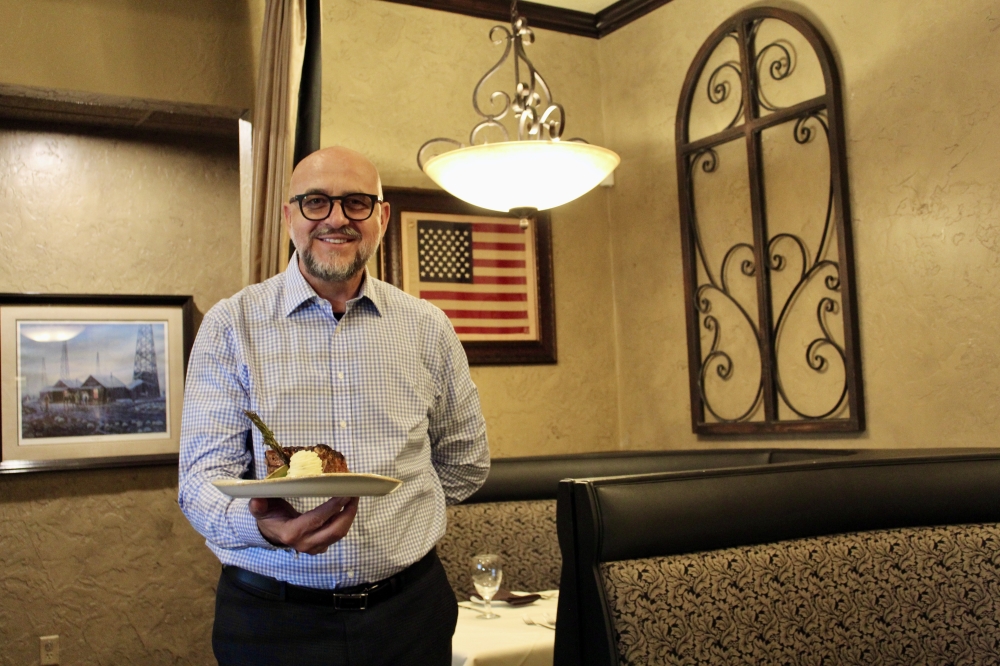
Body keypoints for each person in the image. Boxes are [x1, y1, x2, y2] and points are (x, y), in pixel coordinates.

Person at [178, 146, 490, 665]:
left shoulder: (427, 327)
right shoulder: (232, 326)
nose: (337, 219)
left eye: (357, 203)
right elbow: (200, 481)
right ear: (289, 216)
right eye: (316, 202)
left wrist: (398, 521)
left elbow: (465, 463)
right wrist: (262, 526)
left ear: (382, 217)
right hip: (272, 623)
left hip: (409, 617)